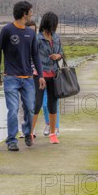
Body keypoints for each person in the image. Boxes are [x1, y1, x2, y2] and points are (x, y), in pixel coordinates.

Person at [0, 1, 45, 152]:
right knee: (13, 109)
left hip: (28, 78)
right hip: (11, 78)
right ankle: (11, 140)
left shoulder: (30, 33)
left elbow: (35, 55)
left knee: (30, 108)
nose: (32, 13)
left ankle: (28, 133)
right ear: (25, 13)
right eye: (31, 11)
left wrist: (40, 75)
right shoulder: (7, 30)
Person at [32, 11, 63, 144]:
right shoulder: (37, 39)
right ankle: (30, 132)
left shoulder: (56, 37)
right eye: (54, 23)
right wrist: (39, 74)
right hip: (39, 76)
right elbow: (32, 57)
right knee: (37, 104)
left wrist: (58, 56)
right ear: (48, 23)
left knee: (52, 104)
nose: (55, 26)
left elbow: (61, 52)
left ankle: (53, 133)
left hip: (54, 75)